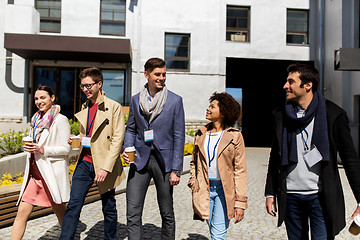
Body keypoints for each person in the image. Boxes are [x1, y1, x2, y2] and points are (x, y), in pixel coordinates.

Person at [265, 63, 360, 239]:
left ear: (307, 85)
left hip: (321, 196)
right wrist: (270, 192)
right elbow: (275, 156)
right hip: (291, 196)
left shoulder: (333, 114)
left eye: (291, 82)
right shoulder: (281, 115)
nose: (285, 86)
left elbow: (350, 159)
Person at [122, 57, 185, 240]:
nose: (161, 78)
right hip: (139, 160)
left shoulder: (175, 101)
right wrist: (128, 148)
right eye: (157, 74)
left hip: (164, 163)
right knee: (132, 211)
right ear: (147, 75)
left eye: (164, 74)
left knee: (166, 212)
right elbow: (131, 128)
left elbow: (179, 136)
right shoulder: (135, 100)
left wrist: (176, 170)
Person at [60, 67, 126, 240]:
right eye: (83, 86)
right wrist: (76, 139)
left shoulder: (114, 107)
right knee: (73, 205)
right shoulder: (85, 106)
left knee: (109, 206)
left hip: (104, 164)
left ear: (99, 84)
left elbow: (117, 140)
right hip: (84, 163)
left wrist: (105, 168)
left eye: (89, 85)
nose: (85, 89)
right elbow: (88, 136)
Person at [11, 85, 70, 240]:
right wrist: (29, 148)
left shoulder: (60, 120)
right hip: (34, 175)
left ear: (52, 98)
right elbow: (34, 144)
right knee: (22, 212)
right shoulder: (36, 119)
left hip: (49, 174)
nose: (39, 101)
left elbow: (66, 148)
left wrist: (42, 149)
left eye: (43, 97)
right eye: (36, 98)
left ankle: (69, 237)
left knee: (60, 212)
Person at [188, 92, 247, 240]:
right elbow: (194, 162)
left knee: (218, 235)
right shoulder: (201, 134)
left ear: (223, 112)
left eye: (212, 107)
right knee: (212, 228)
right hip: (204, 188)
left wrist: (240, 202)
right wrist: (193, 181)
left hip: (224, 190)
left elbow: (240, 170)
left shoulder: (235, 135)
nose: (208, 109)